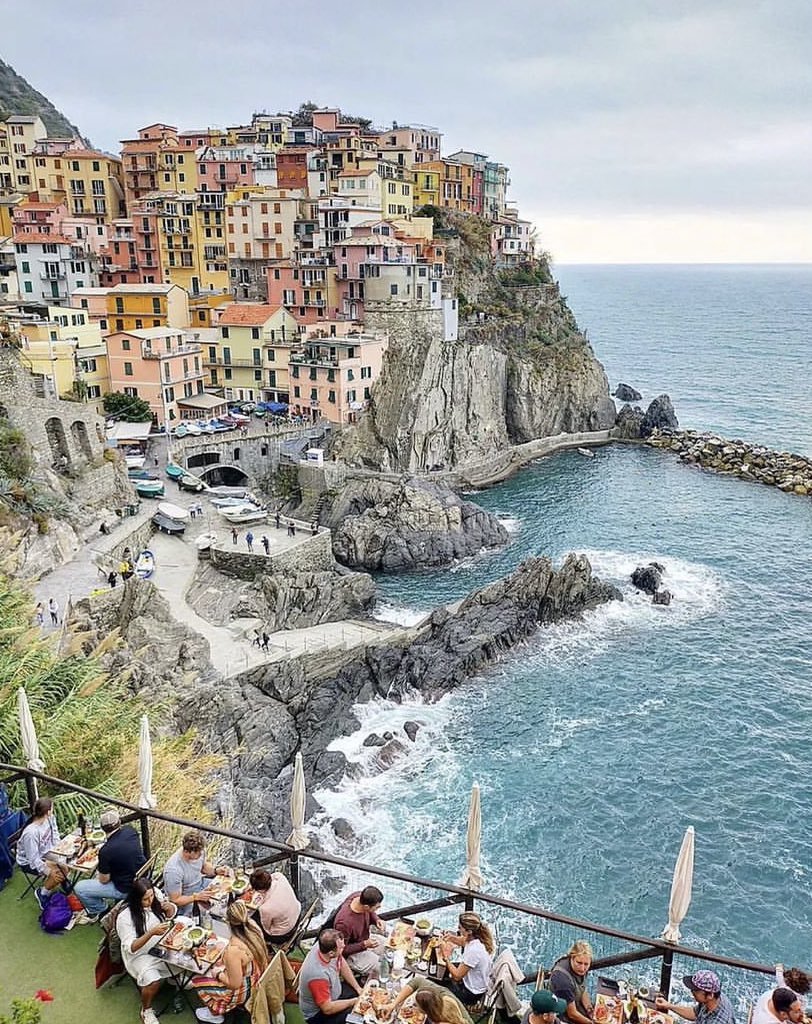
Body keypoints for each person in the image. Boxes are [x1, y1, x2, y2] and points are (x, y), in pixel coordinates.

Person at [192, 900, 268, 1023]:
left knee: (197, 978)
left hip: (245, 990)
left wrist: (218, 973)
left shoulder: (233, 951)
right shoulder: (254, 927)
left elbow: (234, 984)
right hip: (258, 974)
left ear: (228, 922)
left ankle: (215, 1013)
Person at [116, 878, 176, 1024]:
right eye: (145, 899)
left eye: (151, 896)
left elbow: (169, 916)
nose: (150, 901)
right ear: (136, 899)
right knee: (152, 981)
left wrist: (170, 909)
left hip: (162, 944)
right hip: (139, 955)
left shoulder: (155, 896)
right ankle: (146, 1010)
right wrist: (151, 933)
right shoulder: (125, 917)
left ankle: (175, 979)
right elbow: (131, 947)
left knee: (186, 950)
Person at [75, 807, 146, 923]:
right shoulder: (130, 831)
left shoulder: (106, 851)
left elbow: (104, 880)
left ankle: (102, 909)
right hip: (142, 877)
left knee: (80, 888)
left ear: (103, 828)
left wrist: (101, 865)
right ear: (119, 822)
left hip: (125, 889)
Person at [298, 928, 362, 1024]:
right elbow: (327, 1009)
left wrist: (358, 988)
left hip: (334, 993)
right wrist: (353, 1002)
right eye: (341, 947)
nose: (344, 946)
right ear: (331, 953)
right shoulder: (317, 976)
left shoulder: (324, 946)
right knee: (358, 1018)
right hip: (319, 1015)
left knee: (363, 994)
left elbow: (341, 962)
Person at [14, 797, 66, 908]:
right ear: (48, 812)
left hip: (46, 852)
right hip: (28, 862)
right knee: (58, 872)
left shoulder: (50, 818)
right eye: (52, 809)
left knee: (67, 863)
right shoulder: (31, 833)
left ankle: (61, 880)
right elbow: (33, 859)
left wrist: (60, 849)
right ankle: (42, 893)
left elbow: (55, 833)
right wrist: (48, 871)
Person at [161, 829, 230, 910]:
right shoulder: (173, 870)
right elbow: (175, 900)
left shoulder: (199, 851)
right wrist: (195, 897)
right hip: (186, 898)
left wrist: (216, 870)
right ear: (187, 852)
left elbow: (203, 866)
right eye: (198, 853)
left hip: (201, 884)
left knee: (227, 891)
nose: (201, 854)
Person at [333, 885, 388, 977]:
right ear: (366, 907)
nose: (379, 908)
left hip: (364, 940)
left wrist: (376, 920)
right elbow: (340, 950)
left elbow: (371, 912)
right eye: (377, 907)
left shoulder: (359, 896)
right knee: (382, 968)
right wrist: (364, 944)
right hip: (351, 954)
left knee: (388, 946)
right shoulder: (344, 923)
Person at [442, 912, 494, 1006]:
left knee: (436, 987)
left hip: (470, 992)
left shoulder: (474, 951)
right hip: (471, 978)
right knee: (441, 970)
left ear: (469, 931)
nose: (458, 929)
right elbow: (463, 941)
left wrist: (446, 957)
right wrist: (451, 938)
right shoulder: (477, 937)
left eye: (460, 928)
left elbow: (457, 976)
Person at [384, 975, 474, 1024]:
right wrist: (393, 1004)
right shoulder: (442, 995)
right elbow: (417, 981)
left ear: (425, 1010)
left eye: (416, 1005)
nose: (414, 1007)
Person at [655, 970, 736, 1024]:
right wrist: (668, 1005)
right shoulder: (713, 997)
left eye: (695, 990)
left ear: (710, 995)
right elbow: (695, 1013)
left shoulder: (718, 1021)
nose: (692, 992)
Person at [249, 867, 301, 944]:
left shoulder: (265, 909)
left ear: (260, 890)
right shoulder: (280, 877)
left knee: (250, 919)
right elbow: (274, 875)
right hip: (297, 914)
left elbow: (267, 928)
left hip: (284, 934)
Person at [548, 940, 594, 1024]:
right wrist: (591, 1023)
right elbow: (572, 1014)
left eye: (586, 964)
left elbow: (582, 989)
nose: (582, 968)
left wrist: (590, 1011)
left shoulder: (580, 968)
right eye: (579, 963)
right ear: (572, 958)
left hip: (574, 1002)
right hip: (562, 1015)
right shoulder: (562, 979)